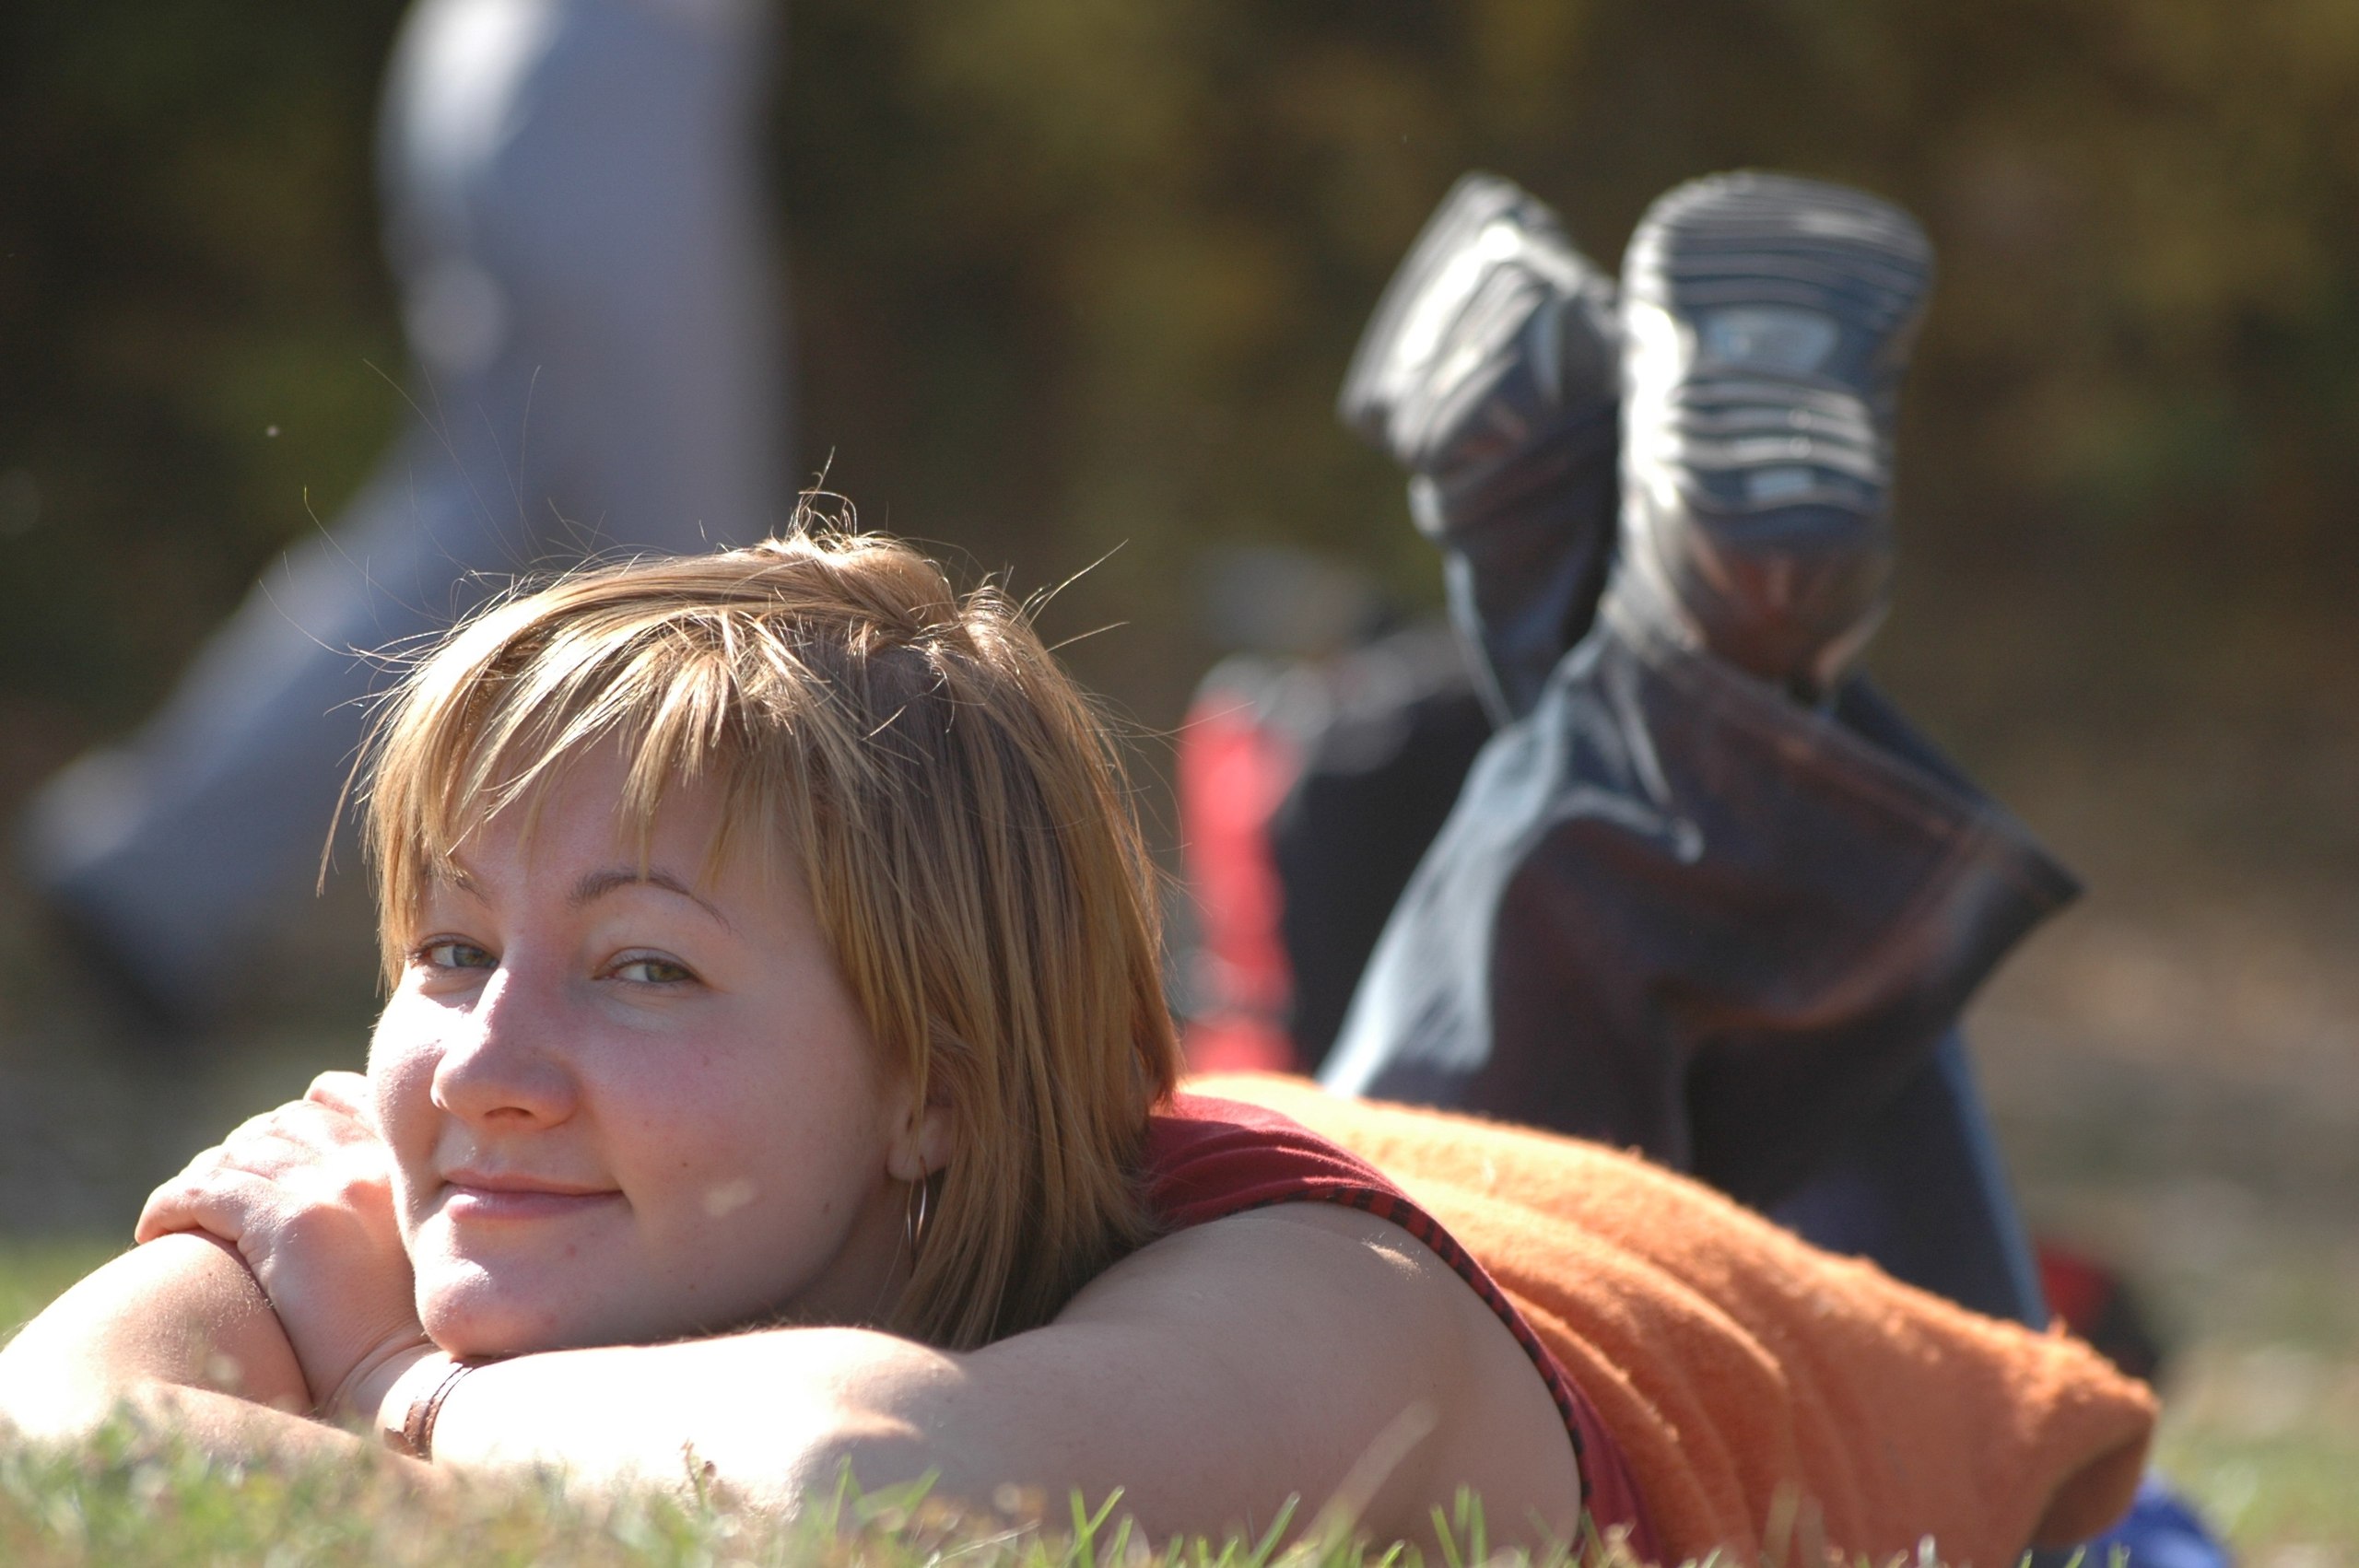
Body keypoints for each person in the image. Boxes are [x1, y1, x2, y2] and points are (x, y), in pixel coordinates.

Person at [0, 528, 2154, 1563]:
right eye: (450, 943)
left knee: (1762, 1068)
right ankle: (1612, 647)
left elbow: (865, 1494)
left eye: (643, 965)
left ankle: (1687, 656)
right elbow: (57, 1429)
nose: (486, 1055)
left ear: (930, 1074)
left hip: (1872, 1417)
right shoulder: (490, 1139)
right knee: (1468, 1001)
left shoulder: (1319, 1320)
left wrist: (391, 1384)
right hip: (1372, 1147)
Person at [17, 0, 791, 1035]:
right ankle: (747, 969)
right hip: (612, 69)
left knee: (488, 517)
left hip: (499, 54)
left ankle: (160, 871)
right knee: (704, 581)